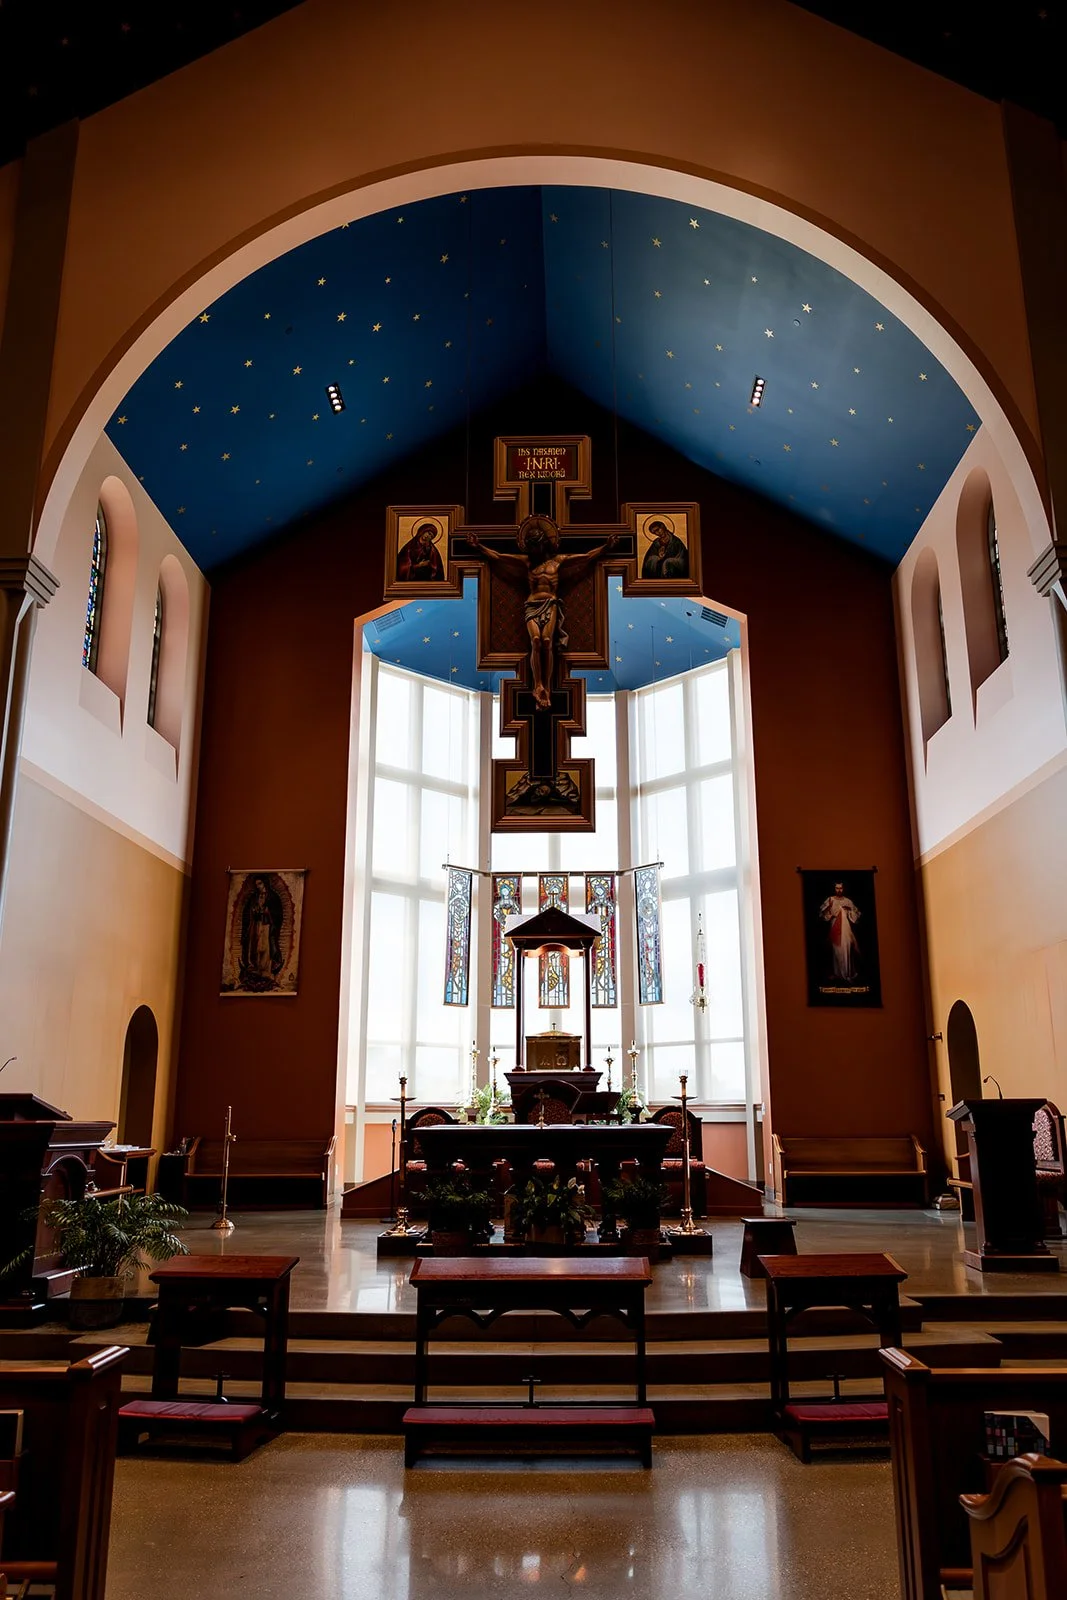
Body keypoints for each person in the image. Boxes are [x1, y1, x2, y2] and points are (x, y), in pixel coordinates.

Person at [468, 514, 618, 709]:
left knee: (547, 642)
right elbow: (499, 557)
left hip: (551, 604)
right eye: (530, 546)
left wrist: (606, 548)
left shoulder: (558, 562)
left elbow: (587, 557)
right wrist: (479, 547)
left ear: (544, 544)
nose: (533, 550)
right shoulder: (527, 562)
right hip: (532, 605)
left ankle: (545, 686)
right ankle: (537, 684)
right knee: (536, 642)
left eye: (536, 546)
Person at [240, 875, 284, 987]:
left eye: (260, 884)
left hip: (267, 926)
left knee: (265, 947)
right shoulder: (255, 896)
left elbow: (277, 913)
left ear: (264, 883)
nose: (258, 886)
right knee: (254, 945)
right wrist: (254, 911)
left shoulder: (272, 897)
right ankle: (254, 968)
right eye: (256, 884)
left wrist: (267, 912)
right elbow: (248, 911)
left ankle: (265, 971)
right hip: (255, 924)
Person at [819, 881, 862, 983]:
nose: (839, 890)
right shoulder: (830, 899)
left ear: (843, 889)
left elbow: (857, 913)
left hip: (845, 928)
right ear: (834, 889)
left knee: (846, 948)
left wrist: (850, 910)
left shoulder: (848, 901)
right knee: (836, 950)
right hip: (835, 926)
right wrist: (829, 908)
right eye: (837, 888)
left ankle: (847, 973)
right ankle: (837, 973)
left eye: (841, 888)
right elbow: (822, 913)